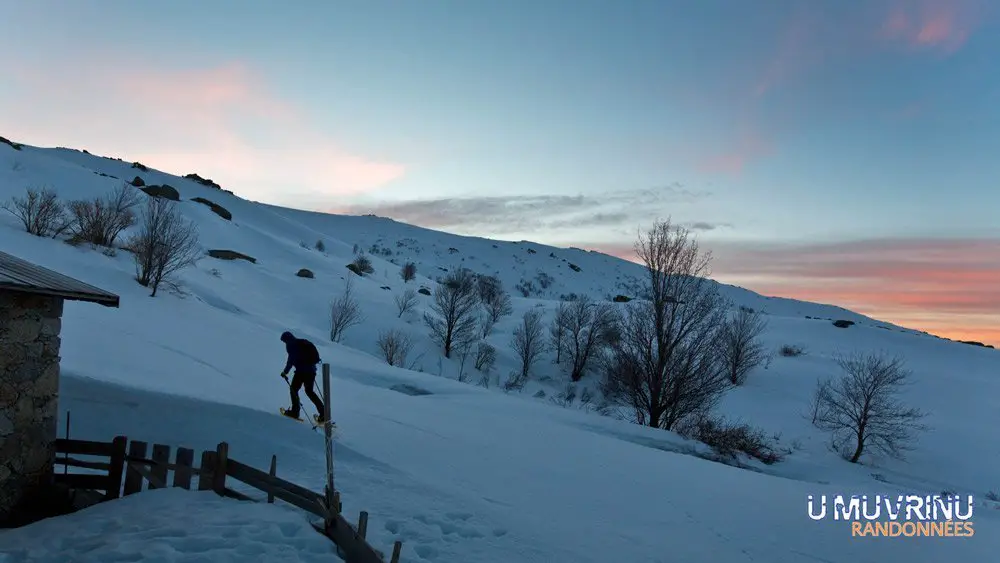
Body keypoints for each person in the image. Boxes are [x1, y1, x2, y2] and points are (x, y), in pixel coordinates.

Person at [279, 331, 326, 422]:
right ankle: (324, 414)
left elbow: (290, 361)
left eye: (284, 341)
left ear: (286, 340)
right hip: (311, 371)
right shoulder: (301, 342)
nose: (284, 343)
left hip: (301, 372)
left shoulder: (291, 346)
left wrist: (285, 372)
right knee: (310, 391)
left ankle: (295, 412)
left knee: (293, 389)